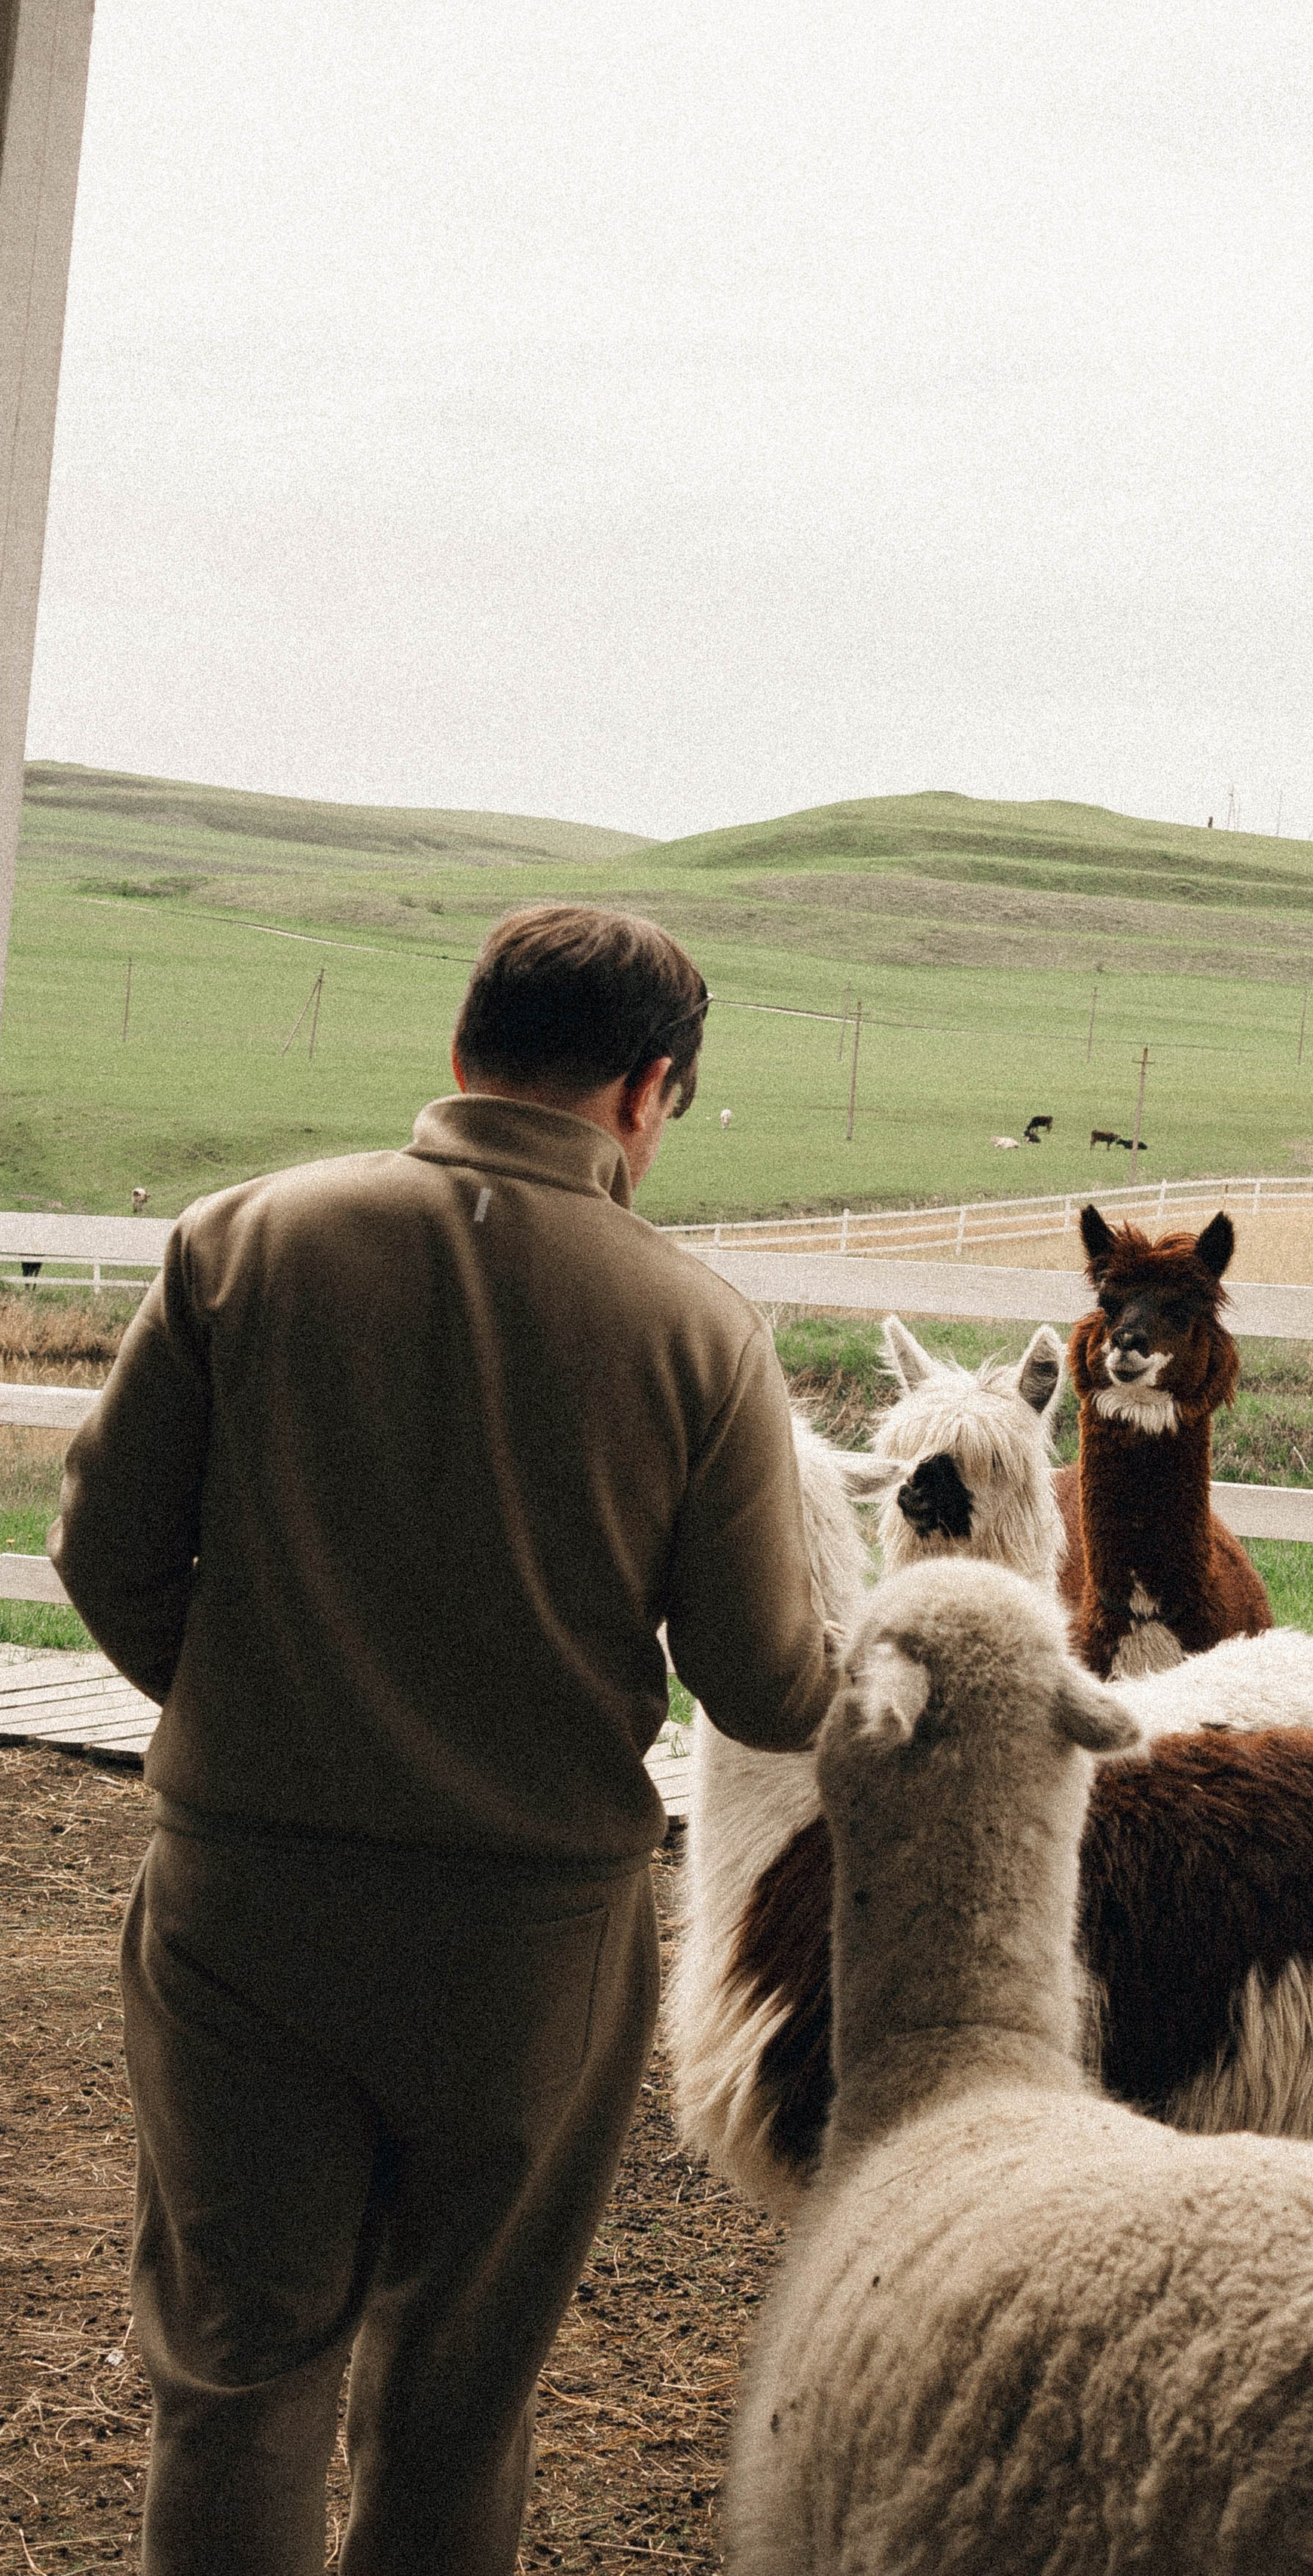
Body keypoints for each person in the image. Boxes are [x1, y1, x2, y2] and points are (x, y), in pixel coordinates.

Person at [53, 903, 832, 2576]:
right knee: (459, 2397)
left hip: (243, 1901)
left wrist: (255, 1718)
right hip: (528, 1942)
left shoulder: (240, 1242)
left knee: (238, 2377)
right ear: (645, 1090)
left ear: (465, 1045)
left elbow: (105, 1552)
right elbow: (766, 1687)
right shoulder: (698, 1331)